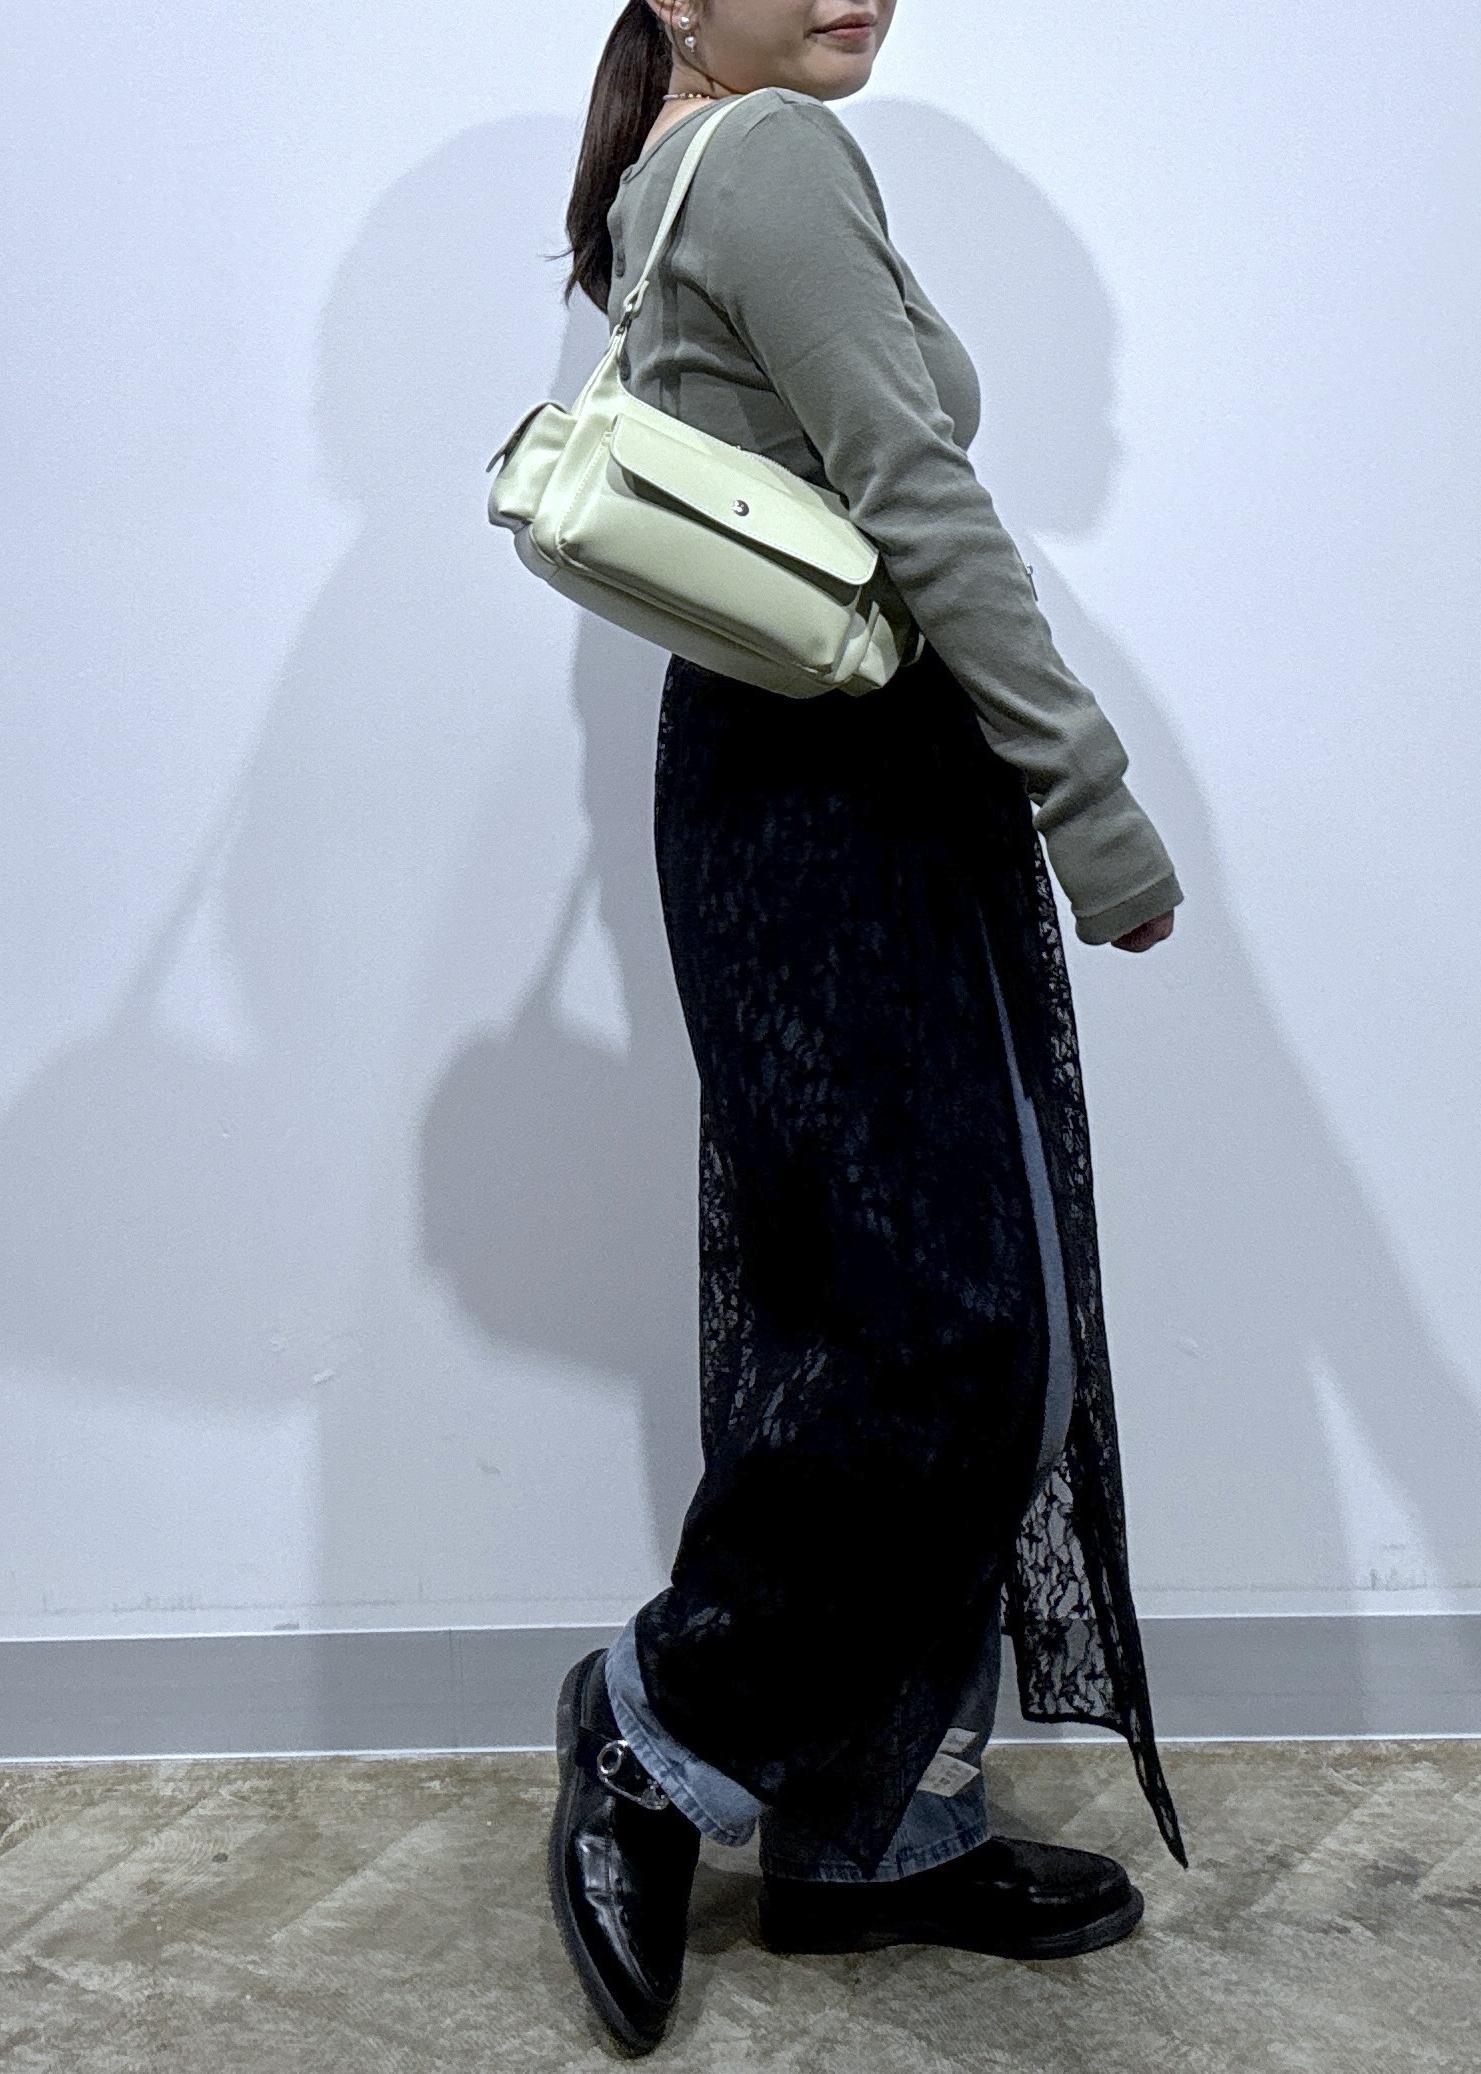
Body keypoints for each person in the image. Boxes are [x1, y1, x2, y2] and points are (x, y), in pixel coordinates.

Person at [543, 1, 1188, 2052]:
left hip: (776, 774)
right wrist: (1087, 792)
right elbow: (917, 490)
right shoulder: (770, 158)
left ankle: (872, 1829)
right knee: (951, 1331)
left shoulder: (678, 168)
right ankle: (659, 1717)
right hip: (841, 789)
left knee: (873, 1308)